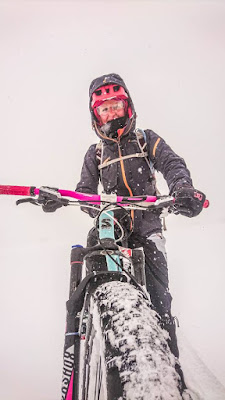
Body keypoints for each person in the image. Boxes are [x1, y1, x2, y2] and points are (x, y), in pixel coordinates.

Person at [75, 73, 206, 395]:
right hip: (112, 225)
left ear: (128, 106)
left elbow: (173, 165)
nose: (111, 113)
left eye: (116, 104)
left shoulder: (147, 139)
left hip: (148, 225)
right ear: (95, 115)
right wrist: (76, 201)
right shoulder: (95, 153)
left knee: (160, 299)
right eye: (103, 109)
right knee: (95, 257)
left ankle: (172, 375)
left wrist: (182, 189)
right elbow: (84, 192)